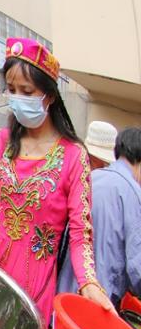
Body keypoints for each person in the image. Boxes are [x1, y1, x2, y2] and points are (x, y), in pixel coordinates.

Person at [0, 38, 112, 321]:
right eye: (11, 90)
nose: (17, 98)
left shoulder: (74, 155)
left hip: (35, 289)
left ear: (49, 96)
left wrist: (89, 283)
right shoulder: (2, 142)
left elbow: (80, 233)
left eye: (26, 91)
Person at [57, 126, 141, 308]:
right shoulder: (134, 195)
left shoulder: (89, 179)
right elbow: (138, 270)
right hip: (98, 302)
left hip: (61, 294)